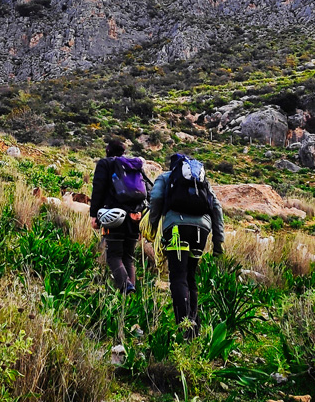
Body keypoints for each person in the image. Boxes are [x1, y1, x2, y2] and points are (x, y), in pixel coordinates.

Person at [146, 153, 224, 337]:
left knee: (178, 277)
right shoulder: (202, 181)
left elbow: (155, 199)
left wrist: (153, 224)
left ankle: (184, 328)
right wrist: (218, 242)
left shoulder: (166, 177)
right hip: (201, 232)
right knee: (191, 277)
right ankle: (194, 327)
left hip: (176, 229)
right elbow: (216, 207)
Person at [89, 137, 149, 294]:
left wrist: (94, 214)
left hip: (114, 216)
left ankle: (126, 287)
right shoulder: (133, 166)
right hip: (135, 216)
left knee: (113, 256)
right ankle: (130, 296)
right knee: (127, 257)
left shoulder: (105, 164)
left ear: (108, 151)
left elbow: (98, 190)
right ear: (124, 152)